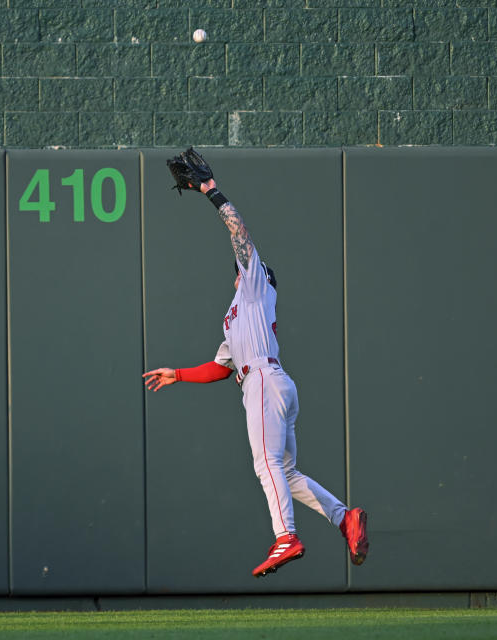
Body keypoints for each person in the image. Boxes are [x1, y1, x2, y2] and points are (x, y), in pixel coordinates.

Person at [142, 174, 369, 578]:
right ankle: (344, 518)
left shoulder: (255, 285)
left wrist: (211, 191)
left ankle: (286, 537)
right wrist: (177, 374)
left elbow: (239, 232)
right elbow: (219, 368)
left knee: (266, 466)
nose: (242, 265)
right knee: (286, 470)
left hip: (263, 381)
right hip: (268, 381)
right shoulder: (236, 315)